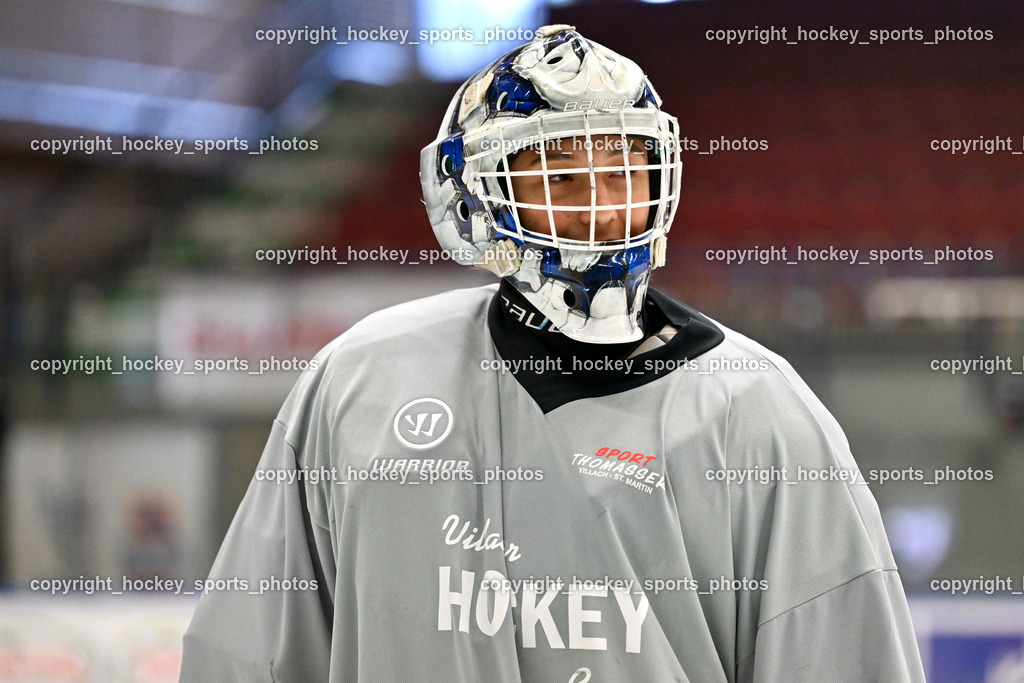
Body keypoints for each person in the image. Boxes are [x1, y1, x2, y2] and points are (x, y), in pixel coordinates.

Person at [180, 25, 925, 681]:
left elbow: (841, 652)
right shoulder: (359, 380)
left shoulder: (764, 415)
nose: (601, 202)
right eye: (562, 174)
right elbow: (249, 652)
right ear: (475, 195)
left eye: (626, 169)